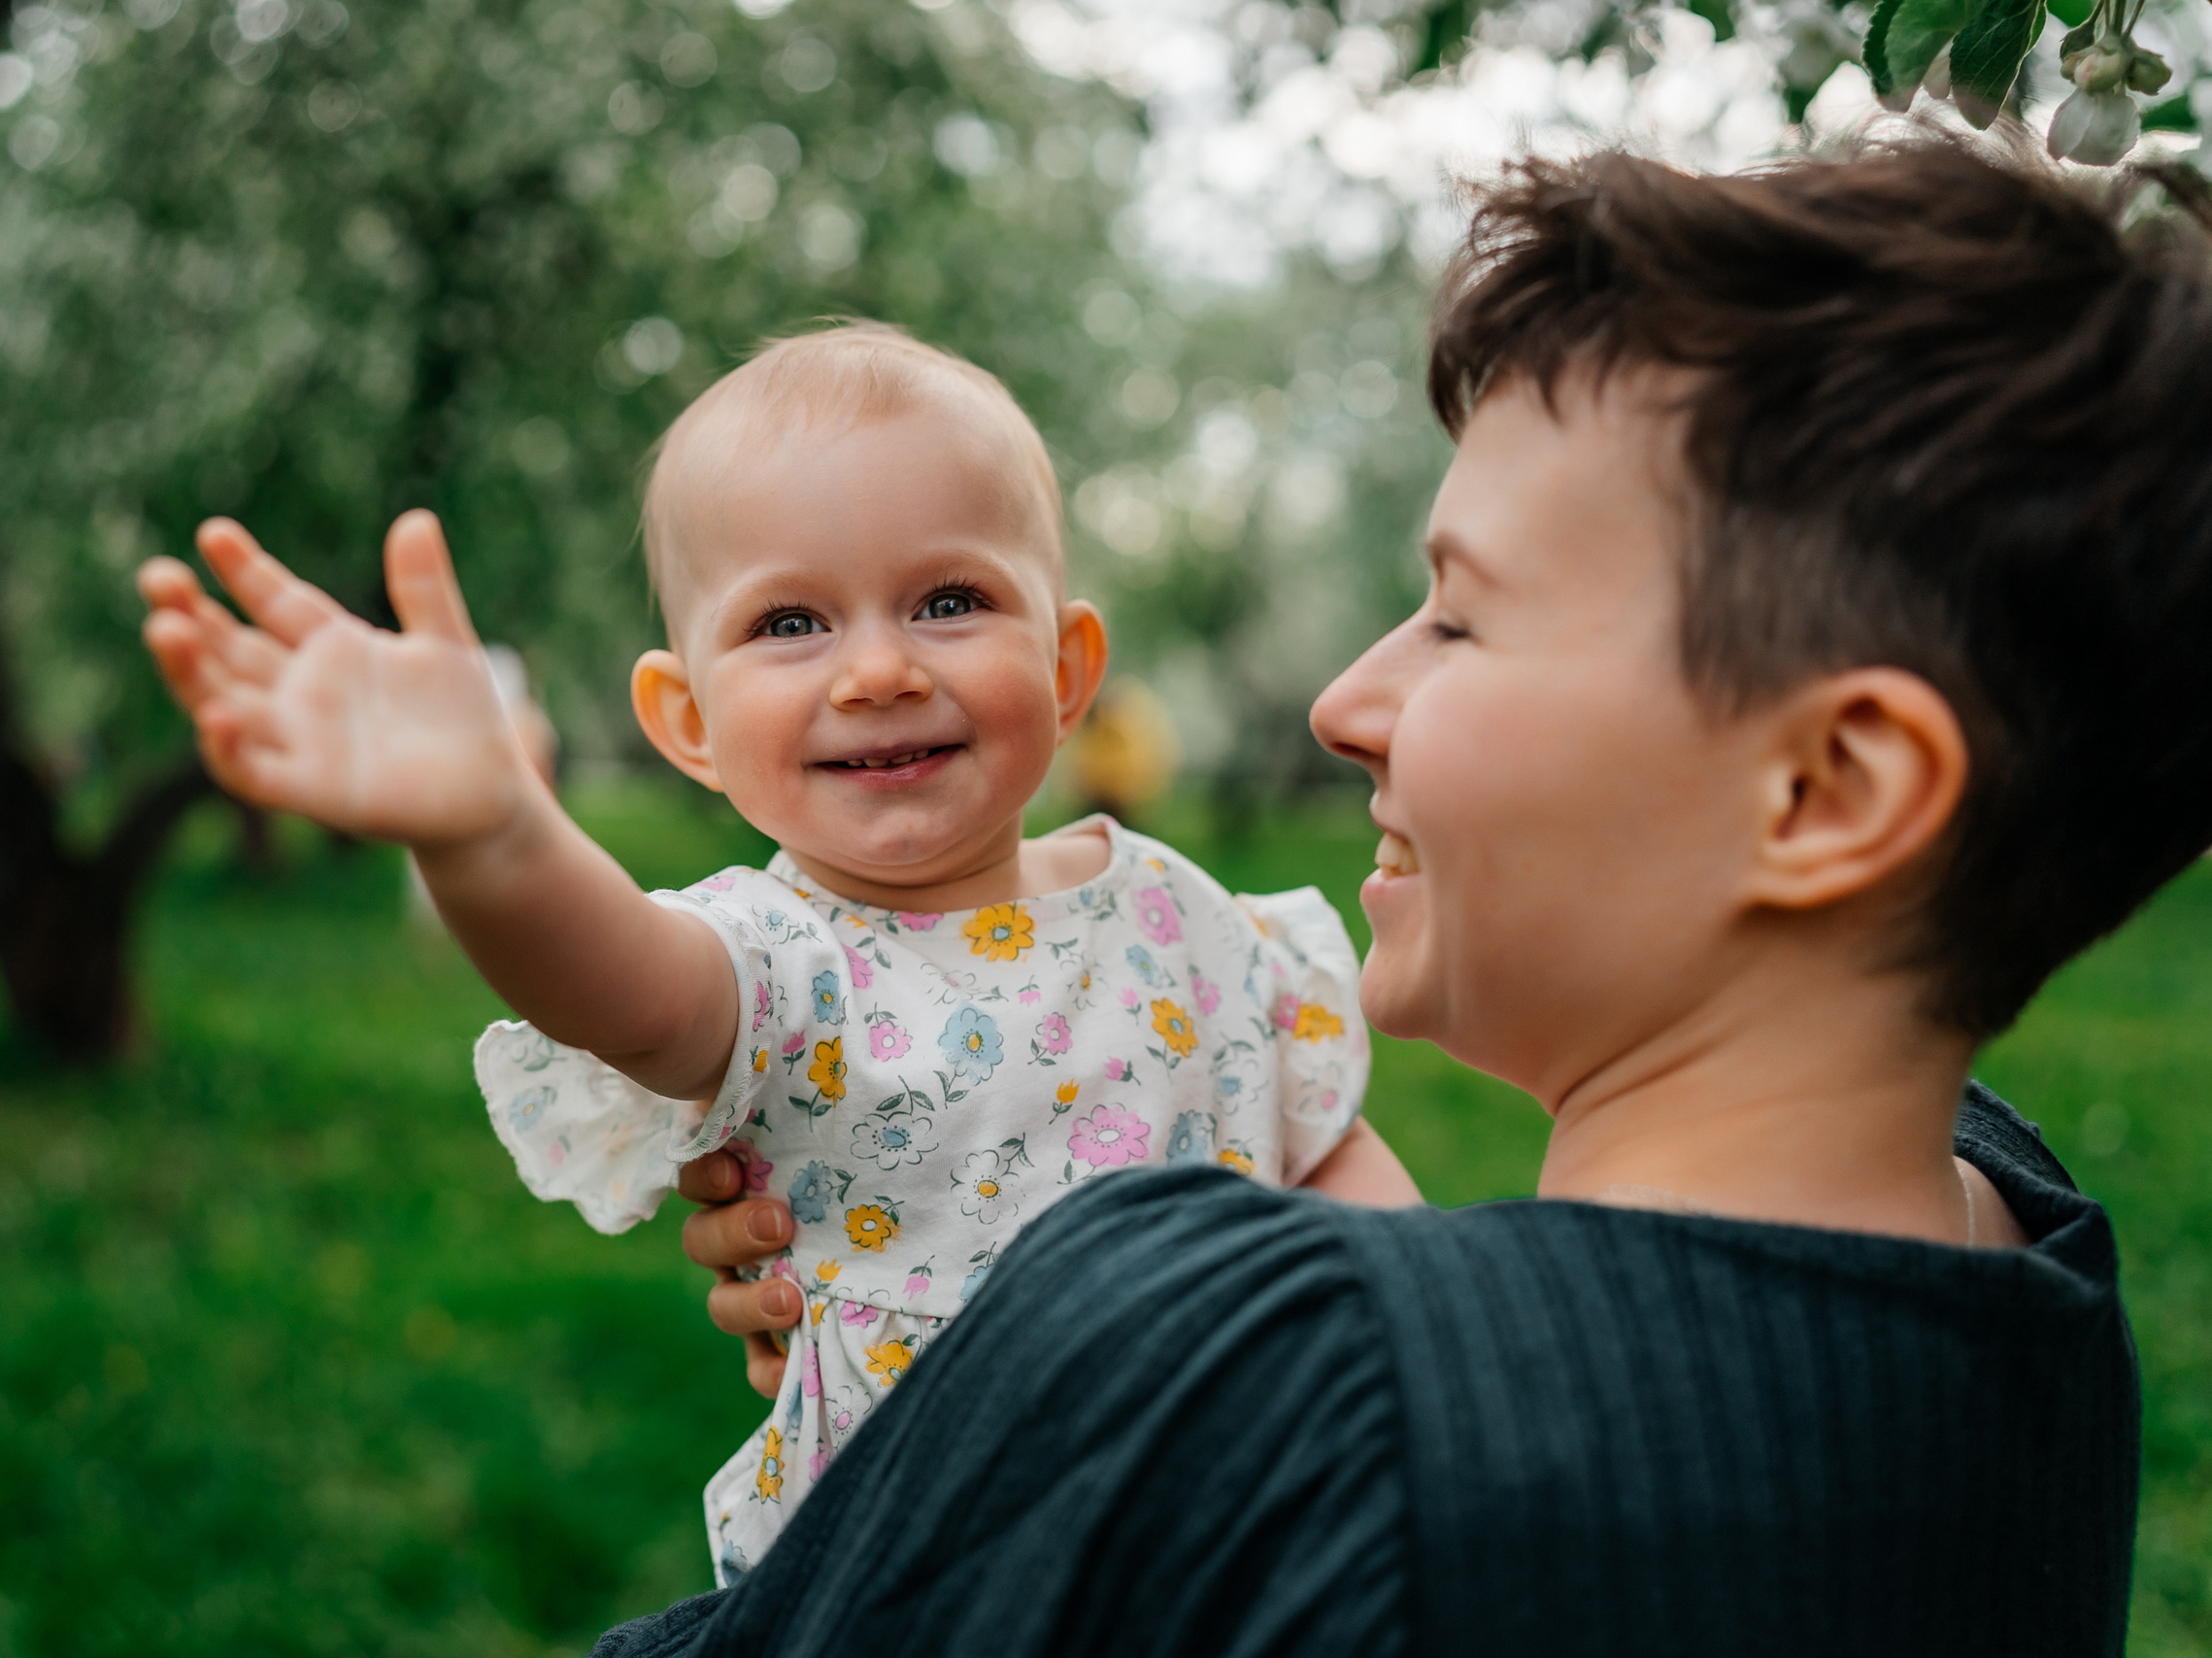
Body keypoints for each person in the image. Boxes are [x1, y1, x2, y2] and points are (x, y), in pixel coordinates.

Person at [644, 139, 2212, 1654]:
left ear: (1830, 791)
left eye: (1460, 621)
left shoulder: (1265, 1379)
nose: (1343, 701)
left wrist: (987, 1440)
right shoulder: (2018, 1237)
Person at [132, 323, 1415, 1582]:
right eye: (791, 623)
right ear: (685, 721)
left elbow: (1331, 1155)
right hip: (936, 1571)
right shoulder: (779, 965)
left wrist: (1430, 1371)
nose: (874, 669)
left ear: (1070, 668)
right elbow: (611, 981)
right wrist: (494, 838)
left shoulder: (1189, 919)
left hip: (1252, 1518)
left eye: (951, 600)